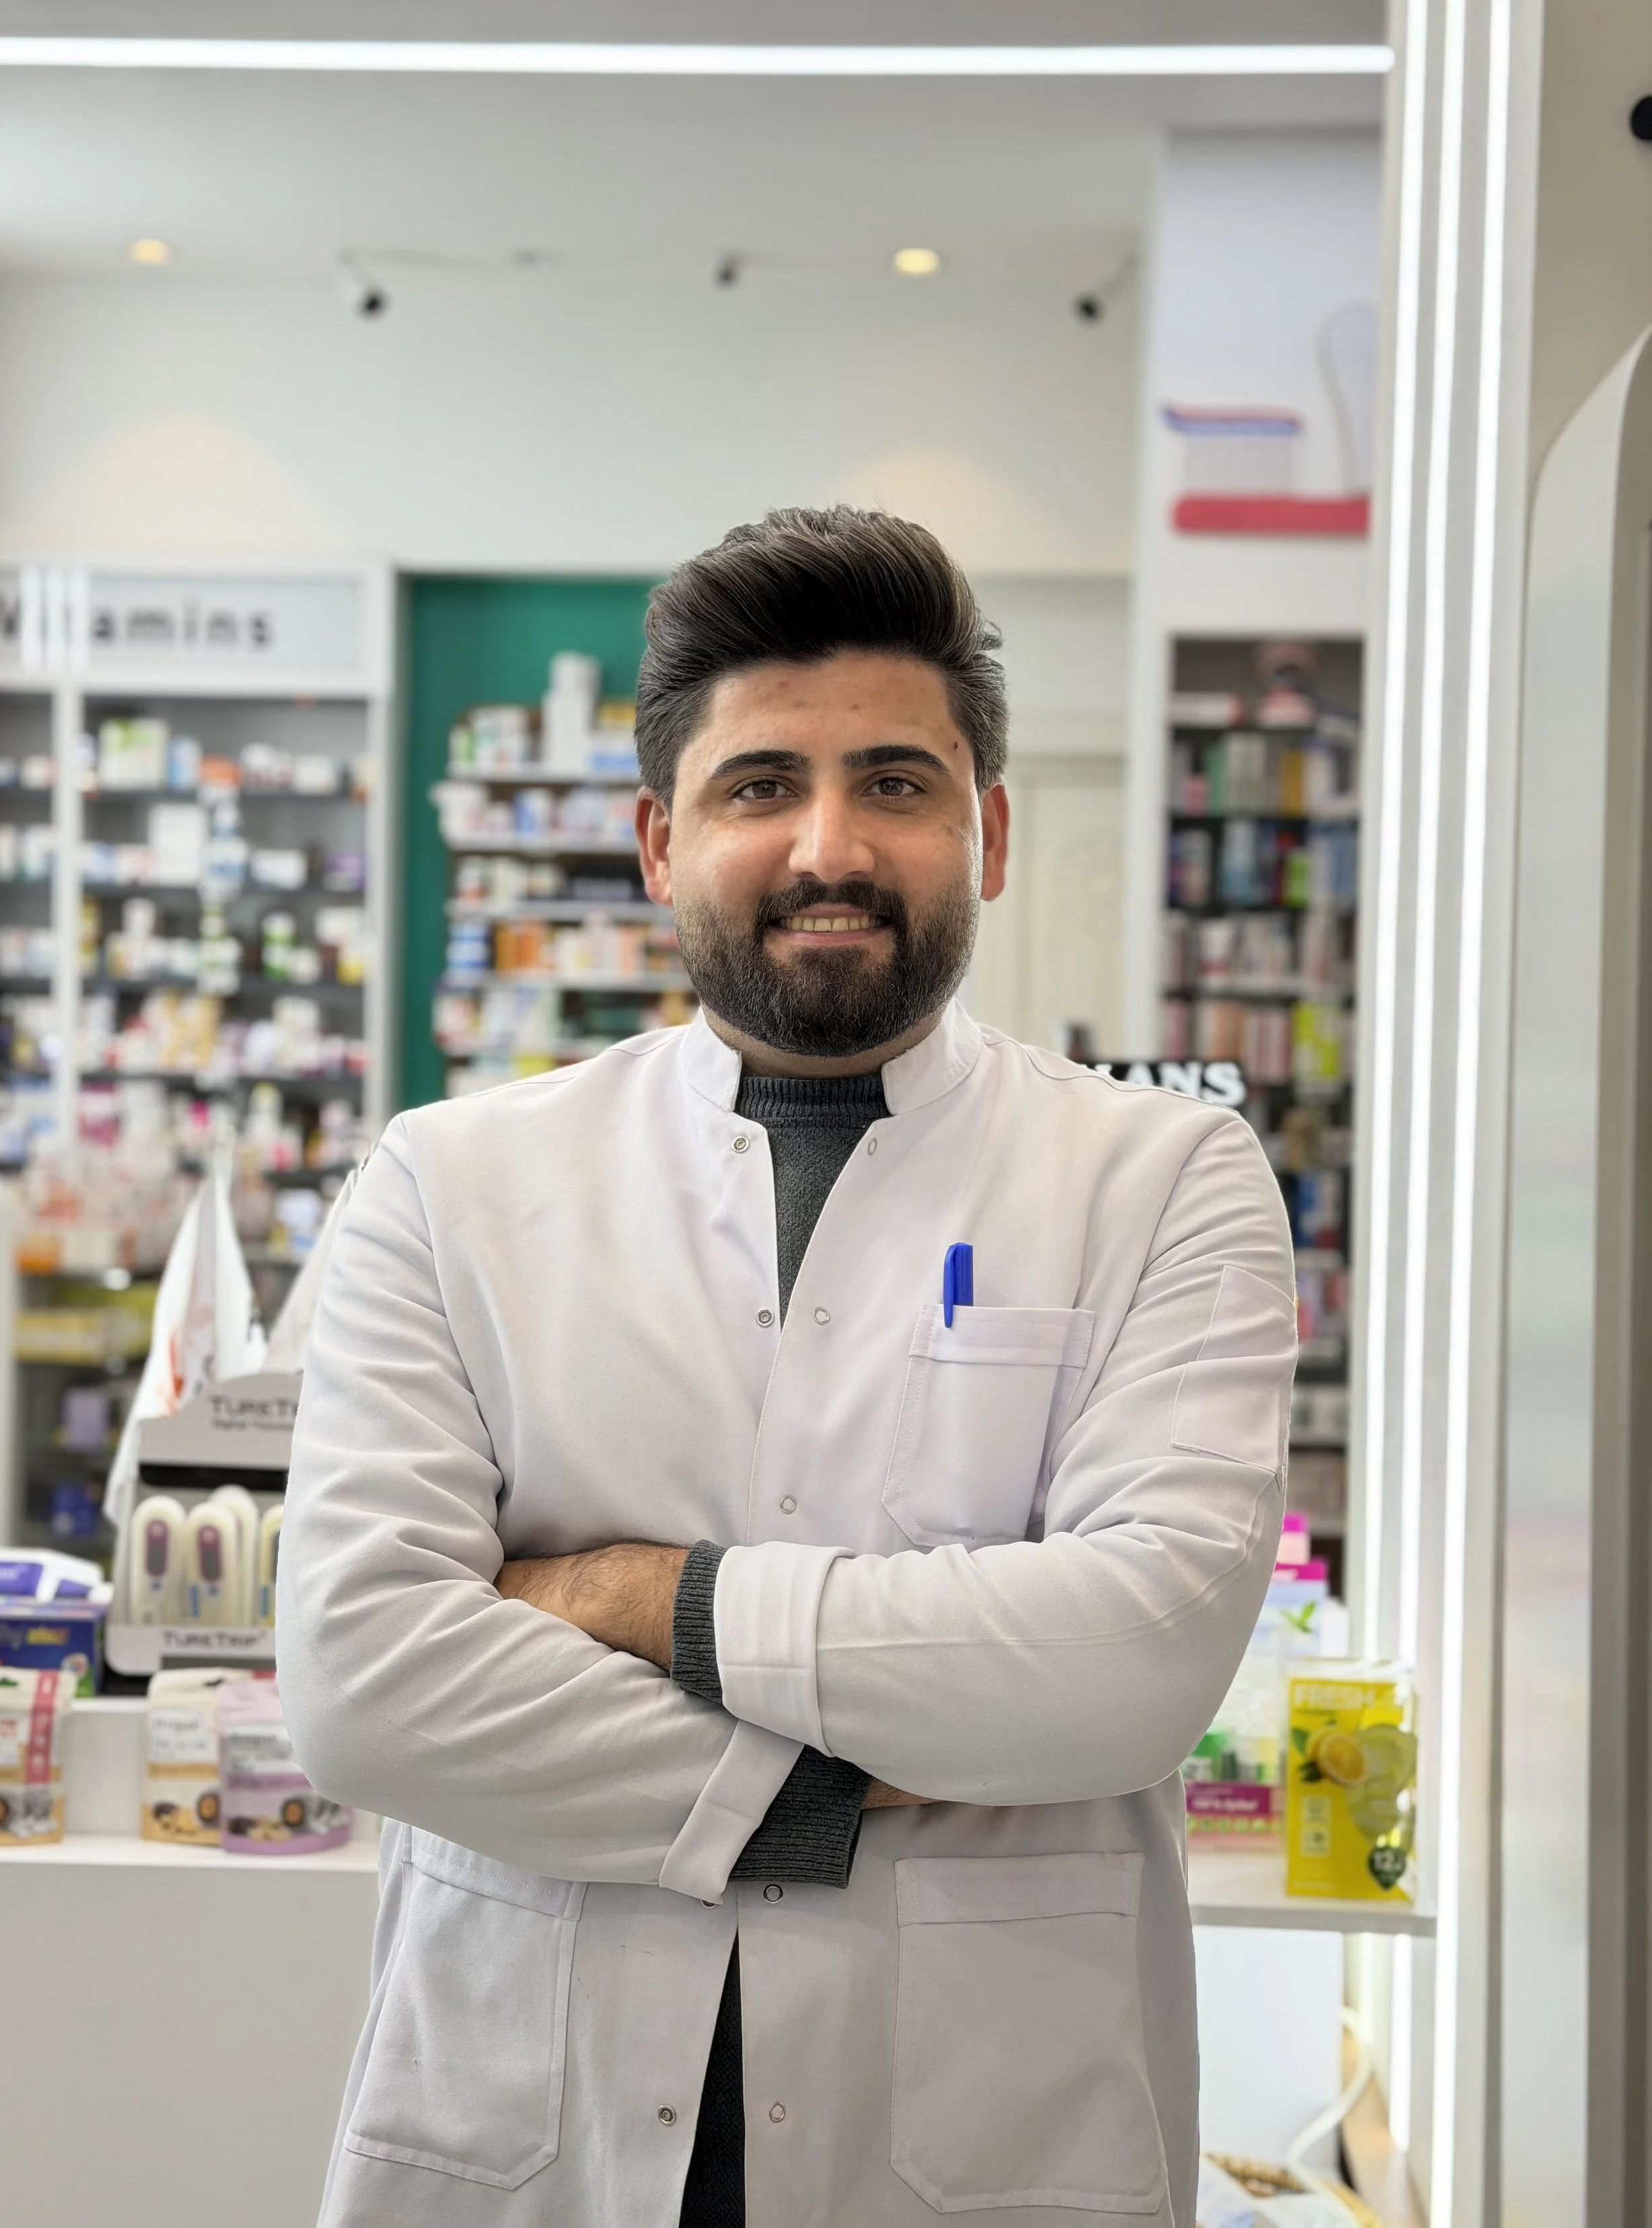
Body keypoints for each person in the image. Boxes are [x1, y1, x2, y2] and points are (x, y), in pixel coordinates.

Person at [278, 506, 1298, 2228]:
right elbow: (367, 1678)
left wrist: (641, 1596)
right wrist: (865, 1773)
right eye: (760, 788)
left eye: (895, 783)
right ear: (659, 841)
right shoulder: (450, 1182)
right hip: (534, 2132)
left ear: (984, 831)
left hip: (986, 2139)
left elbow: (1137, 1659)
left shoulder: (1164, 1176)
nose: (830, 844)